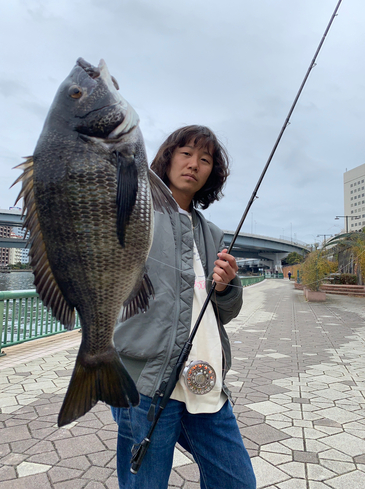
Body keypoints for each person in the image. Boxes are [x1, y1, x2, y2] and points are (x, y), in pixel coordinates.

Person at [112, 125, 256, 489]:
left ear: (212, 173)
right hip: (146, 382)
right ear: (168, 157)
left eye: (204, 159)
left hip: (204, 379)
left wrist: (225, 287)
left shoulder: (212, 234)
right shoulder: (134, 211)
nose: (194, 164)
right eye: (186, 153)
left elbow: (222, 312)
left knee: (236, 481)